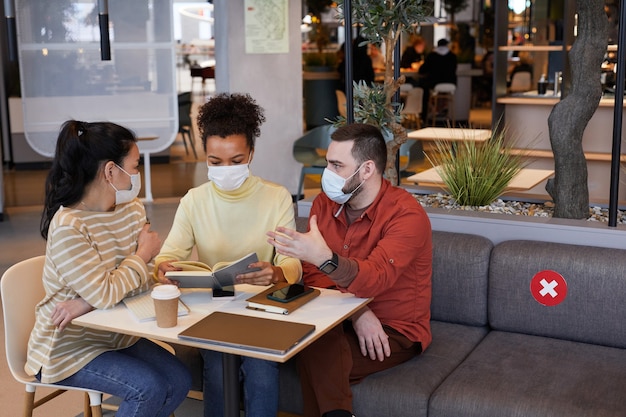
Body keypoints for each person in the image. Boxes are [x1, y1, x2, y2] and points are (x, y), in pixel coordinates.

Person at [26, 120, 192, 417]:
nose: (138, 175)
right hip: (68, 348)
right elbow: (108, 292)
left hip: (116, 335)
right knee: (148, 388)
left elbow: (128, 284)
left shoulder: (132, 209)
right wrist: (141, 258)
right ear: (111, 171)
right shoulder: (69, 227)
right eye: (136, 166)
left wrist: (153, 270)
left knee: (180, 379)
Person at [267, 123, 432, 417]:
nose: (325, 173)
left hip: (393, 330)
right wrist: (357, 313)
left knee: (311, 349)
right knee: (313, 337)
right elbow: (314, 275)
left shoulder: (406, 215)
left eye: (336, 165)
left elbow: (376, 277)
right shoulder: (323, 204)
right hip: (339, 319)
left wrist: (325, 258)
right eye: (327, 162)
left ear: (367, 169)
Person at [154, 93, 302, 417]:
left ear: (251, 153)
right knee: (219, 372)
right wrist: (164, 267)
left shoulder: (276, 197)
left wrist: (276, 274)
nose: (225, 170)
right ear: (205, 156)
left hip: (262, 308)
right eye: (215, 162)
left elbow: (292, 263)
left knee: (262, 372)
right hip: (214, 307)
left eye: (236, 161)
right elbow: (167, 256)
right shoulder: (194, 201)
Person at [418, 38, 457, 121]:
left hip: (434, 83)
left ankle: (424, 116)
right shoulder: (453, 56)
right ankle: (444, 111)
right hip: (451, 84)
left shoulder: (432, 56)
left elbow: (422, 70)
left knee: (424, 89)